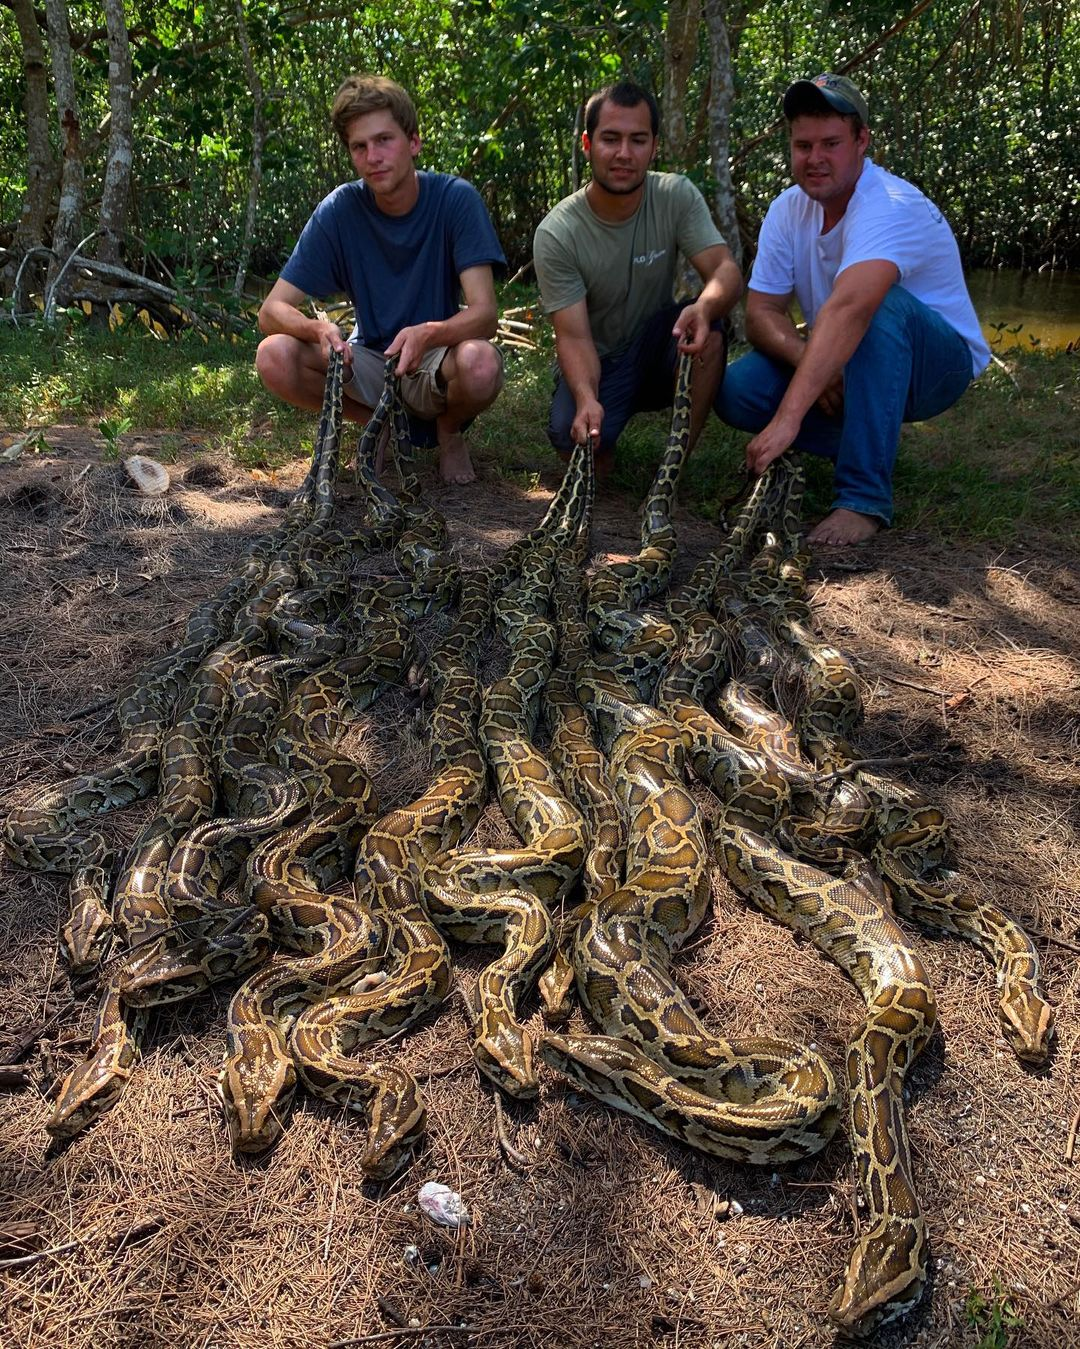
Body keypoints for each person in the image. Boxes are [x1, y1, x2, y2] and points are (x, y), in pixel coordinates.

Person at [715, 73, 990, 546]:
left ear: (862, 141)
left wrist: (787, 419)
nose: (815, 159)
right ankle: (869, 440)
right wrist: (809, 363)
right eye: (803, 145)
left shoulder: (889, 204)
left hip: (936, 364)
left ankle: (863, 498)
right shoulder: (787, 210)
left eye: (831, 143)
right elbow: (761, 313)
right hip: (847, 355)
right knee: (737, 390)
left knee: (879, 305)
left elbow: (850, 309)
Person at [256, 74, 506, 485]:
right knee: (273, 355)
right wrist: (317, 327)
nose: (374, 156)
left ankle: (449, 433)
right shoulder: (340, 209)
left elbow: (485, 316)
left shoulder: (456, 199)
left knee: (480, 364)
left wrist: (428, 334)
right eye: (360, 146)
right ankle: (377, 424)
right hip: (370, 358)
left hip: (436, 360)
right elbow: (271, 311)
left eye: (385, 140)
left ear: (413, 142)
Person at [533, 80, 743, 475]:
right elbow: (574, 337)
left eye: (638, 140)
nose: (624, 154)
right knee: (571, 438)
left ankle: (676, 463)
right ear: (587, 143)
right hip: (598, 357)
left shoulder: (676, 195)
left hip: (656, 346)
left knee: (709, 330)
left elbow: (725, 270)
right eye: (610, 139)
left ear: (654, 146)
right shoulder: (558, 232)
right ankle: (600, 425)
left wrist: (705, 305)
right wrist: (585, 397)